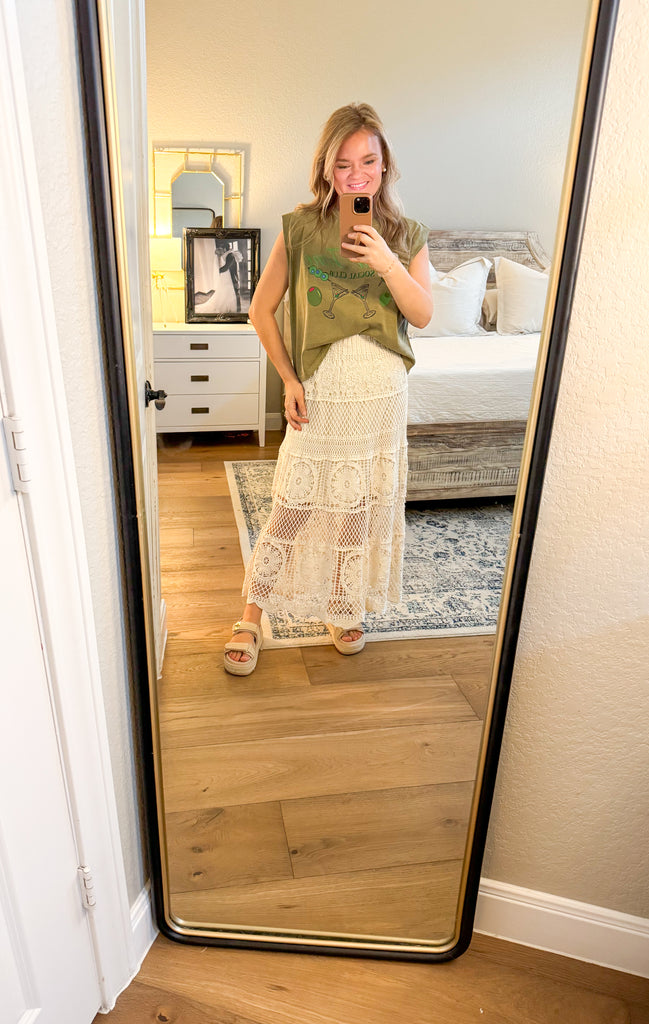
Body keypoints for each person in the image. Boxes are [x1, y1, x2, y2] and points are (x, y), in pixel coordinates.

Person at [224, 103, 432, 675]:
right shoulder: (299, 229)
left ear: (385, 165)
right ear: (327, 169)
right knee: (293, 502)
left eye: (368, 161)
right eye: (343, 164)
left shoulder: (407, 235)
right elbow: (261, 310)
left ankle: (342, 607)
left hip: (381, 392)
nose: (357, 174)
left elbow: (422, 314)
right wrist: (288, 379)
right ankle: (251, 614)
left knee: (357, 505)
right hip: (323, 389)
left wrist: (387, 261)